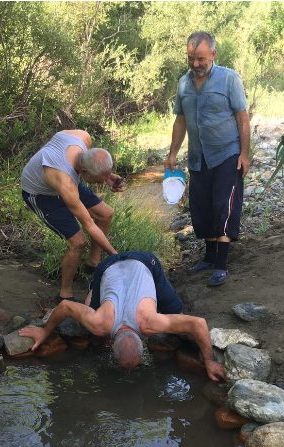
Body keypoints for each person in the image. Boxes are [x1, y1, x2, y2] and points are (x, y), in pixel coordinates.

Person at [19, 251, 226, 381]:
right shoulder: (110, 324)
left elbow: (198, 323)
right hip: (109, 265)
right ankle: (95, 286)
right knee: (89, 318)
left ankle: (97, 292)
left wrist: (209, 361)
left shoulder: (112, 323)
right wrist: (44, 332)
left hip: (142, 262)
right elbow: (65, 305)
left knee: (177, 312)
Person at [165, 31, 250, 287]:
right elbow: (180, 121)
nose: (195, 64)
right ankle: (209, 257)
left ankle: (221, 265)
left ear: (213, 54)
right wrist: (172, 153)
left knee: (223, 207)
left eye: (200, 58)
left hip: (227, 153)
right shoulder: (183, 84)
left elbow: (242, 119)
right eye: (191, 58)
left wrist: (245, 154)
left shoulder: (229, 79)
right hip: (198, 157)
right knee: (201, 208)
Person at [21, 130, 124, 303]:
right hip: (41, 194)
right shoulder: (65, 181)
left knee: (106, 214)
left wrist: (107, 176)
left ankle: (93, 261)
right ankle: (64, 295)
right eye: (99, 180)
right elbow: (89, 225)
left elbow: (93, 160)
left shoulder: (82, 138)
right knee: (78, 243)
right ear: (83, 171)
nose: (102, 183)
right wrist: (116, 256)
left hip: (64, 180)